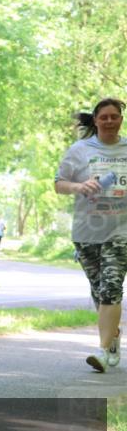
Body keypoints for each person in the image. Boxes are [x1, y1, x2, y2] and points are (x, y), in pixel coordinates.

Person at [54, 97, 127, 372]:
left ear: (121, 119)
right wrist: (80, 186)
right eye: (104, 117)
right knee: (99, 291)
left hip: (121, 230)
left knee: (111, 287)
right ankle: (113, 338)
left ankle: (103, 351)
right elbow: (59, 184)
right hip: (86, 231)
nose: (109, 121)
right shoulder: (79, 150)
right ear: (95, 121)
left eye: (114, 116)